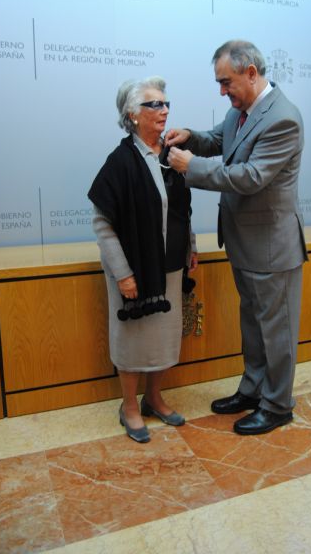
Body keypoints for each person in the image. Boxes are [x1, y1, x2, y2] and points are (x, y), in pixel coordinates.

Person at [166, 40, 307, 436]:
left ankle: (278, 405)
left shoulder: (283, 119)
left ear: (251, 73)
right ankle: (253, 390)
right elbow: (218, 140)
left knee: (276, 331)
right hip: (246, 244)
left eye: (226, 82)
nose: (222, 91)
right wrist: (190, 137)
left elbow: (249, 176)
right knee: (254, 325)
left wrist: (191, 167)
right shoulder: (240, 111)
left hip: (272, 247)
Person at [88, 77, 197, 443]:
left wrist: (190, 248)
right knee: (133, 340)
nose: (164, 110)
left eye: (166, 104)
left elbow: (181, 212)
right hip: (133, 270)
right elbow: (102, 223)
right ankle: (129, 406)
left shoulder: (171, 156)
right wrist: (122, 273)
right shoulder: (120, 162)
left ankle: (153, 398)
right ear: (133, 115)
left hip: (168, 265)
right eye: (155, 105)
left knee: (164, 338)